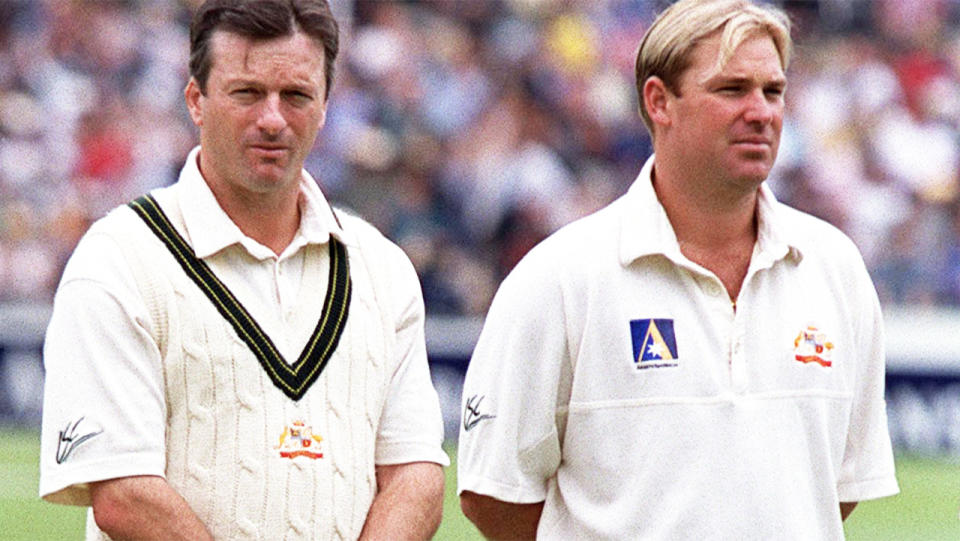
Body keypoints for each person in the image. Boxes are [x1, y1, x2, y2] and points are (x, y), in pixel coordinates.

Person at [457, 0, 899, 539]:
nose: (761, 111)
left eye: (773, 91)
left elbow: (830, 494)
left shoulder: (836, 268)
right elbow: (494, 495)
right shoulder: (561, 277)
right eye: (731, 90)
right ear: (659, 101)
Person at [39, 1, 448, 539]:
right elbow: (124, 493)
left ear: (326, 105)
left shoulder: (382, 269)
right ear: (196, 100)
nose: (273, 119)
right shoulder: (119, 258)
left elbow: (416, 474)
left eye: (297, 95)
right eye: (247, 93)